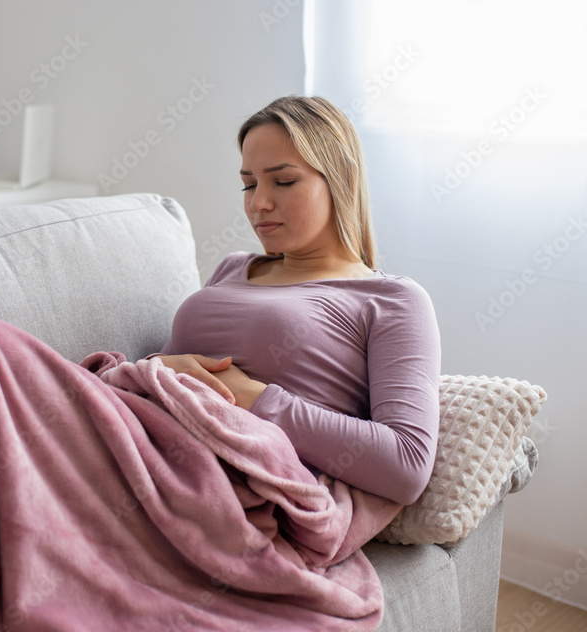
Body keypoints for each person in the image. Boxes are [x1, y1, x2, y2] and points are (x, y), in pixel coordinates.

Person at [155, 95, 441, 506]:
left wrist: (251, 395)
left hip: (217, 480)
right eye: (249, 184)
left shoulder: (392, 301)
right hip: (149, 432)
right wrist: (162, 366)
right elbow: (158, 369)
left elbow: (406, 465)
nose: (258, 204)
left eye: (283, 181)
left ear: (341, 177)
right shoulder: (233, 268)